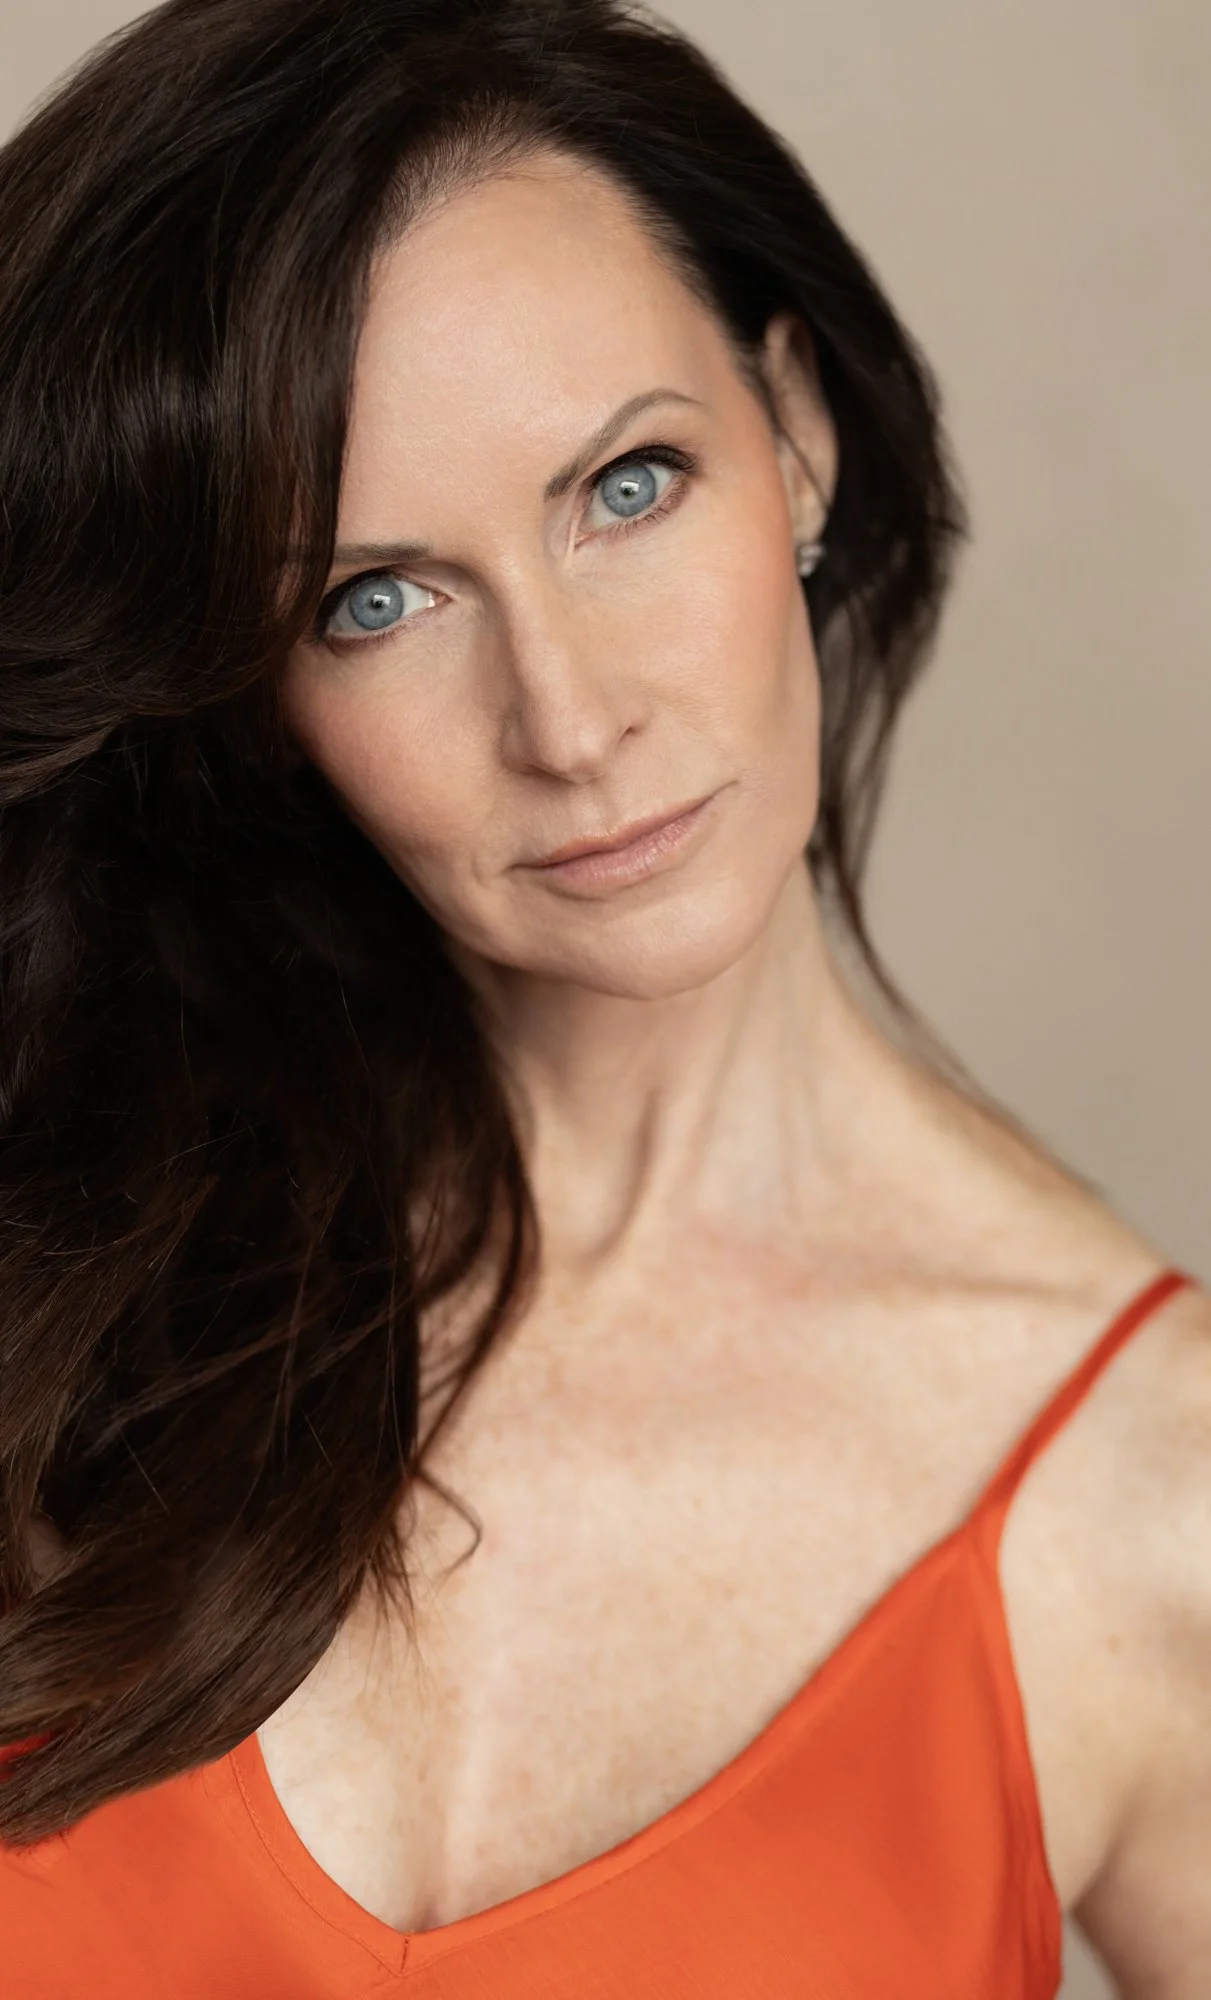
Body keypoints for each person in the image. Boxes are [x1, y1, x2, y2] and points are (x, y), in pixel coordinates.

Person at [0, 0, 1206, 1993]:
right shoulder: (58, 1233)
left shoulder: (1150, 1505)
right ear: (249, 680)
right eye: (371, 597)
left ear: (796, 436)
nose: (566, 718)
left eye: (625, 487)